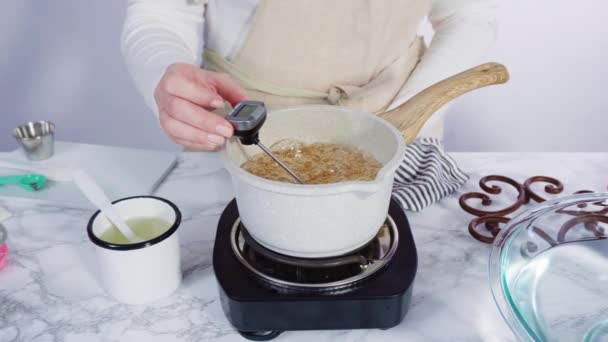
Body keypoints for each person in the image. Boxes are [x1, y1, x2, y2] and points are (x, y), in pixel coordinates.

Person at [122, 0, 497, 152]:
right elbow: (163, 11)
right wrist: (163, 70)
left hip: (401, 124)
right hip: (245, 131)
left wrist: (408, 120)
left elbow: (469, 14)